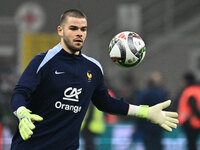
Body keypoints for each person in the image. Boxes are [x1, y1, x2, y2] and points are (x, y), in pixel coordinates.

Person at [10, 9, 178, 150]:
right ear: (60, 30)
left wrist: (144, 112)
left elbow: (105, 103)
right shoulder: (43, 61)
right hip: (31, 146)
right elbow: (20, 92)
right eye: (73, 28)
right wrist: (22, 113)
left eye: (83, 29)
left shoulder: (93, 67)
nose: (79, 33)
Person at [135, 72, 168, 150]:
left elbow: (139, 109)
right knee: (157, 144)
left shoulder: (144, 94)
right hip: (158, 124)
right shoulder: (162, 93)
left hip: (146, 124)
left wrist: (138, 125)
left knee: (149, 145)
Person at [178, 72, 200, 150]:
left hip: (190, 121)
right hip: (194, 121)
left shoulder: (189, 91)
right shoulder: (197, 89)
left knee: (191, 143)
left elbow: (193, 106)